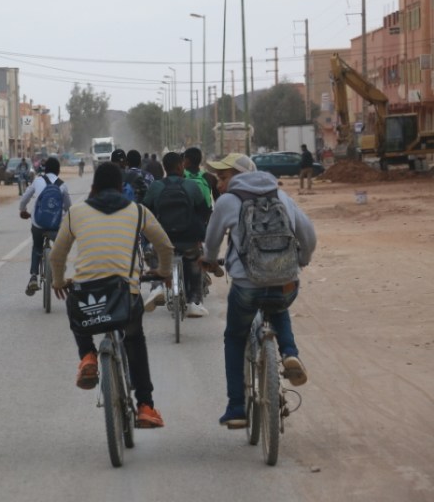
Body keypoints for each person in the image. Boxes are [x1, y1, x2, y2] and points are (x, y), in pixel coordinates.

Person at [50, 162, 174, 428]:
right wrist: (163, 271)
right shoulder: (138, 211)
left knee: (75, 303)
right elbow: (165, 246)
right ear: (121, 187)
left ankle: (88, 355)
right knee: (134, 340)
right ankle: (145, 406)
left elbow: (57, 254)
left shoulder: (75, 212)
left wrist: (59, 281)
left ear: (93, 187)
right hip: (124, 295)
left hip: (86, 296)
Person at [200, 153, 317, 428]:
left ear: (240, 175)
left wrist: (209, 260)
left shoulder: (228, 201)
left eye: (223, 177)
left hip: (246, 286)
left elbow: (212, 242)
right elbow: (309, 235)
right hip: (286, 282)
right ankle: (289, 352)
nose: (219, 184)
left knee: (234, 337)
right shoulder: (281, 195)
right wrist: (302, 260)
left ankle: (237, 408)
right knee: (277, 303)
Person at [143, 152, 211, 317]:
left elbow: (145, 211)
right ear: (180, 167)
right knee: (194, 260)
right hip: (188, 239)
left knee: (153, 252)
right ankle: (194, 301)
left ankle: (157, 287)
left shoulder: (156, 187)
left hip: (163, 240)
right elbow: (204, 212)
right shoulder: (191, 186)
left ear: (165, 168)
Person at [19, 157, 71, 296]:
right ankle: (60, 266)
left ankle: (33, 277)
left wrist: (23, 210)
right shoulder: (62, 185)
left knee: (37, 246)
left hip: (38, 223)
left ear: (45, 169)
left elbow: (24, 199)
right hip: (56, 225)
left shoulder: (37, 181)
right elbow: (68, 207)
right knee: (60, 246)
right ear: (58, 171)